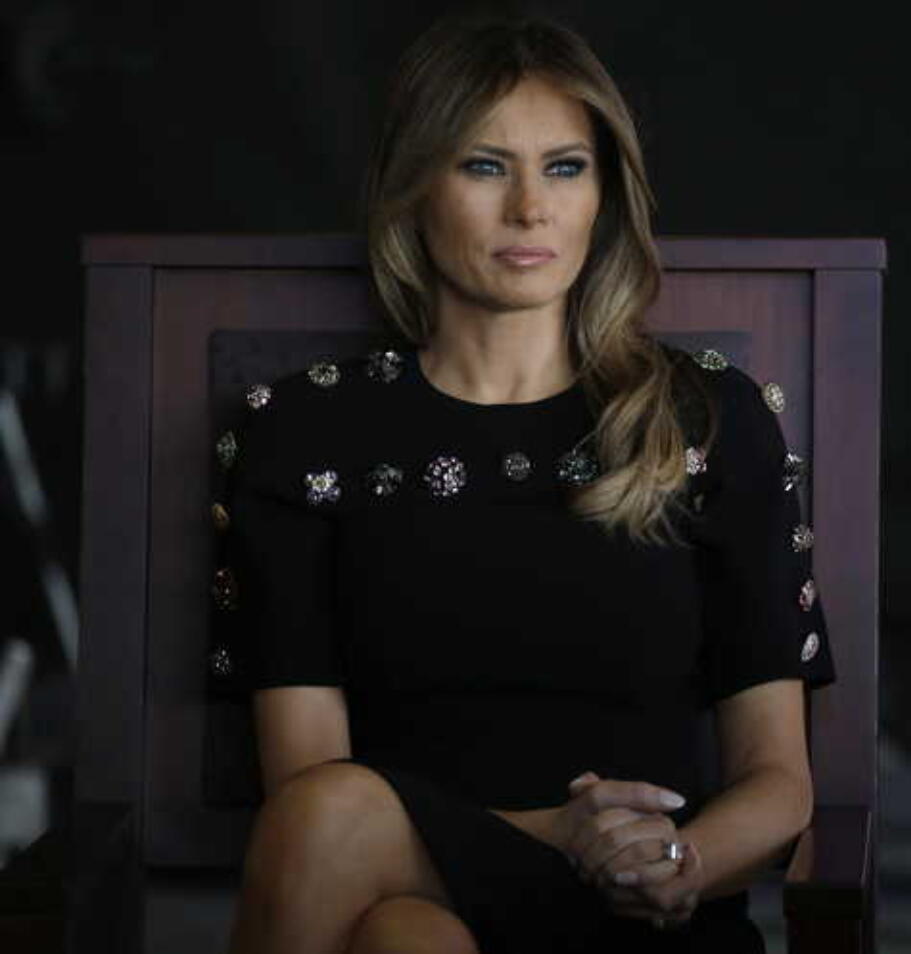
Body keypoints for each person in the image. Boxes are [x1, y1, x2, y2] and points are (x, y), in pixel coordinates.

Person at [217, 11, 835, 954]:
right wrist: (563, 836)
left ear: (604, 193)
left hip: (645, 908)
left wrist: (674, 866)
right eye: (483, 165)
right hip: (393, 890)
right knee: (394, 927)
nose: (530, 209)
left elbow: (779, 781)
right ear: (414, 188)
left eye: (563, 167)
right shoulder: (306, 432)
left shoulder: (707, 419)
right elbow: (307, 794)